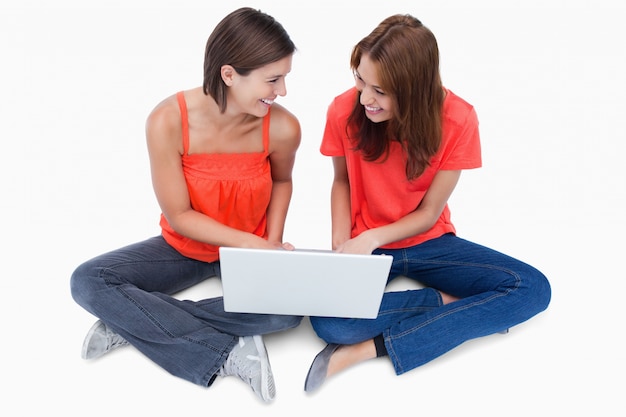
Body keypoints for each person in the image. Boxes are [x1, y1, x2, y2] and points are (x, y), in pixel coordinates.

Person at [304, 14, 552, 392]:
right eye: (360, 80)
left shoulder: (459, 119)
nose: (365, 98)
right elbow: (340, 181)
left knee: (533, 288)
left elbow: (428, 213)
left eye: (381, 91)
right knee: (330, 324)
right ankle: (445, 302)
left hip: (430, 241)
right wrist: (343, 245)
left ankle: (368, 349)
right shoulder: (344, 110)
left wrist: (373, 238)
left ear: (414, 89)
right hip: (366, 246)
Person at [70, 7, 302, 403]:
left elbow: (282, 181)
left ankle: (128, 321)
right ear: (229, 75)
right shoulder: (167, 121)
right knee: (88, 280)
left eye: (284, 78)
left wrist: (271, 246)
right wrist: (249, 243)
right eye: (272, 79)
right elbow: (180, 215)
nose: (282, 91)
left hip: (249, 251)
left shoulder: (282, 127)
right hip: (182, 247)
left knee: (289, 314)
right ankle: (228, 351)